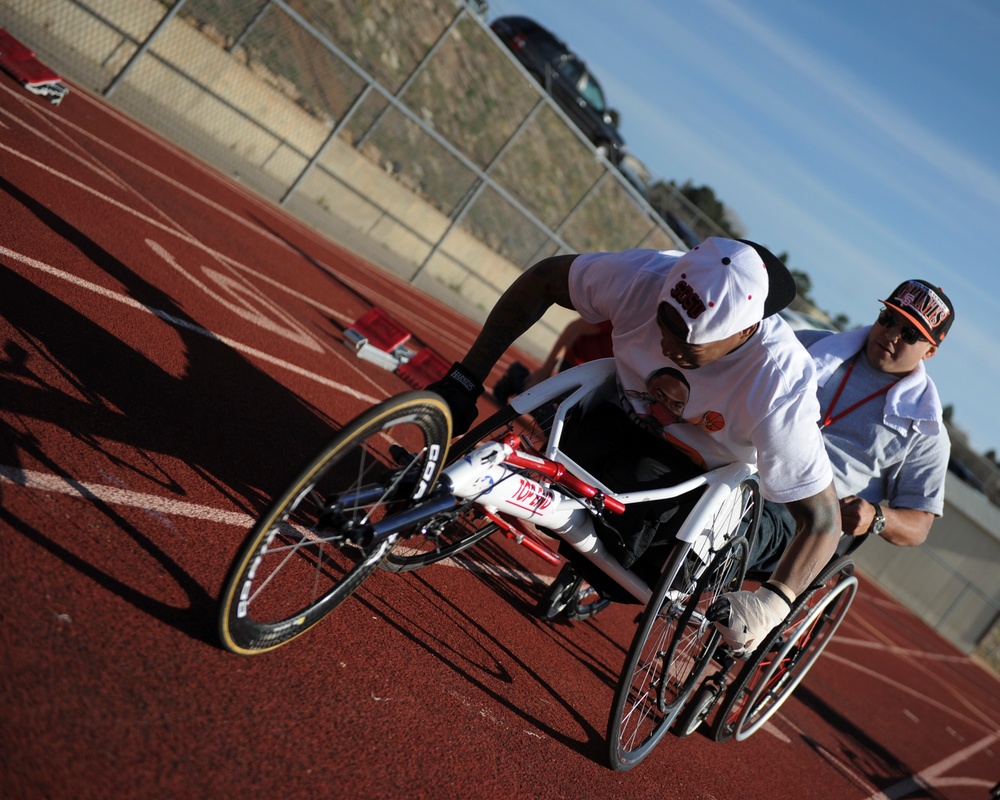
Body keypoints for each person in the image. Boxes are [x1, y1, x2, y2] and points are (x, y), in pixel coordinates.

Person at [427, 237, 843, 655]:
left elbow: (824, 521)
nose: (667, 346)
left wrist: (773, 603)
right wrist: (464, 381)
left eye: (687, 345)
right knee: (585, 443)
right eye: (666, 324)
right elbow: (543, 279)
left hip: (706, 482)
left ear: (745, 331)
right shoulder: (645, 276)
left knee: (664, 513)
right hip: (617, 427)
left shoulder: (779, 383)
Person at [748, 279, 955, 574]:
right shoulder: (812, 345)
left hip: (802, 517)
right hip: (741, 463)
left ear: (930, 351)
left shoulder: (925, 430)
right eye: (888, 319)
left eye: (909, 334)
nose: (891, 334)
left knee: (742, 523)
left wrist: (876, 516)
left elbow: (919, 527)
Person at [491, 318, 613, 404]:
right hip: (578, 367)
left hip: (602, 379)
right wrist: (545, 371)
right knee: (560, 427)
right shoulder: (622, 316)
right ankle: (518, 378)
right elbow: (574, 328)